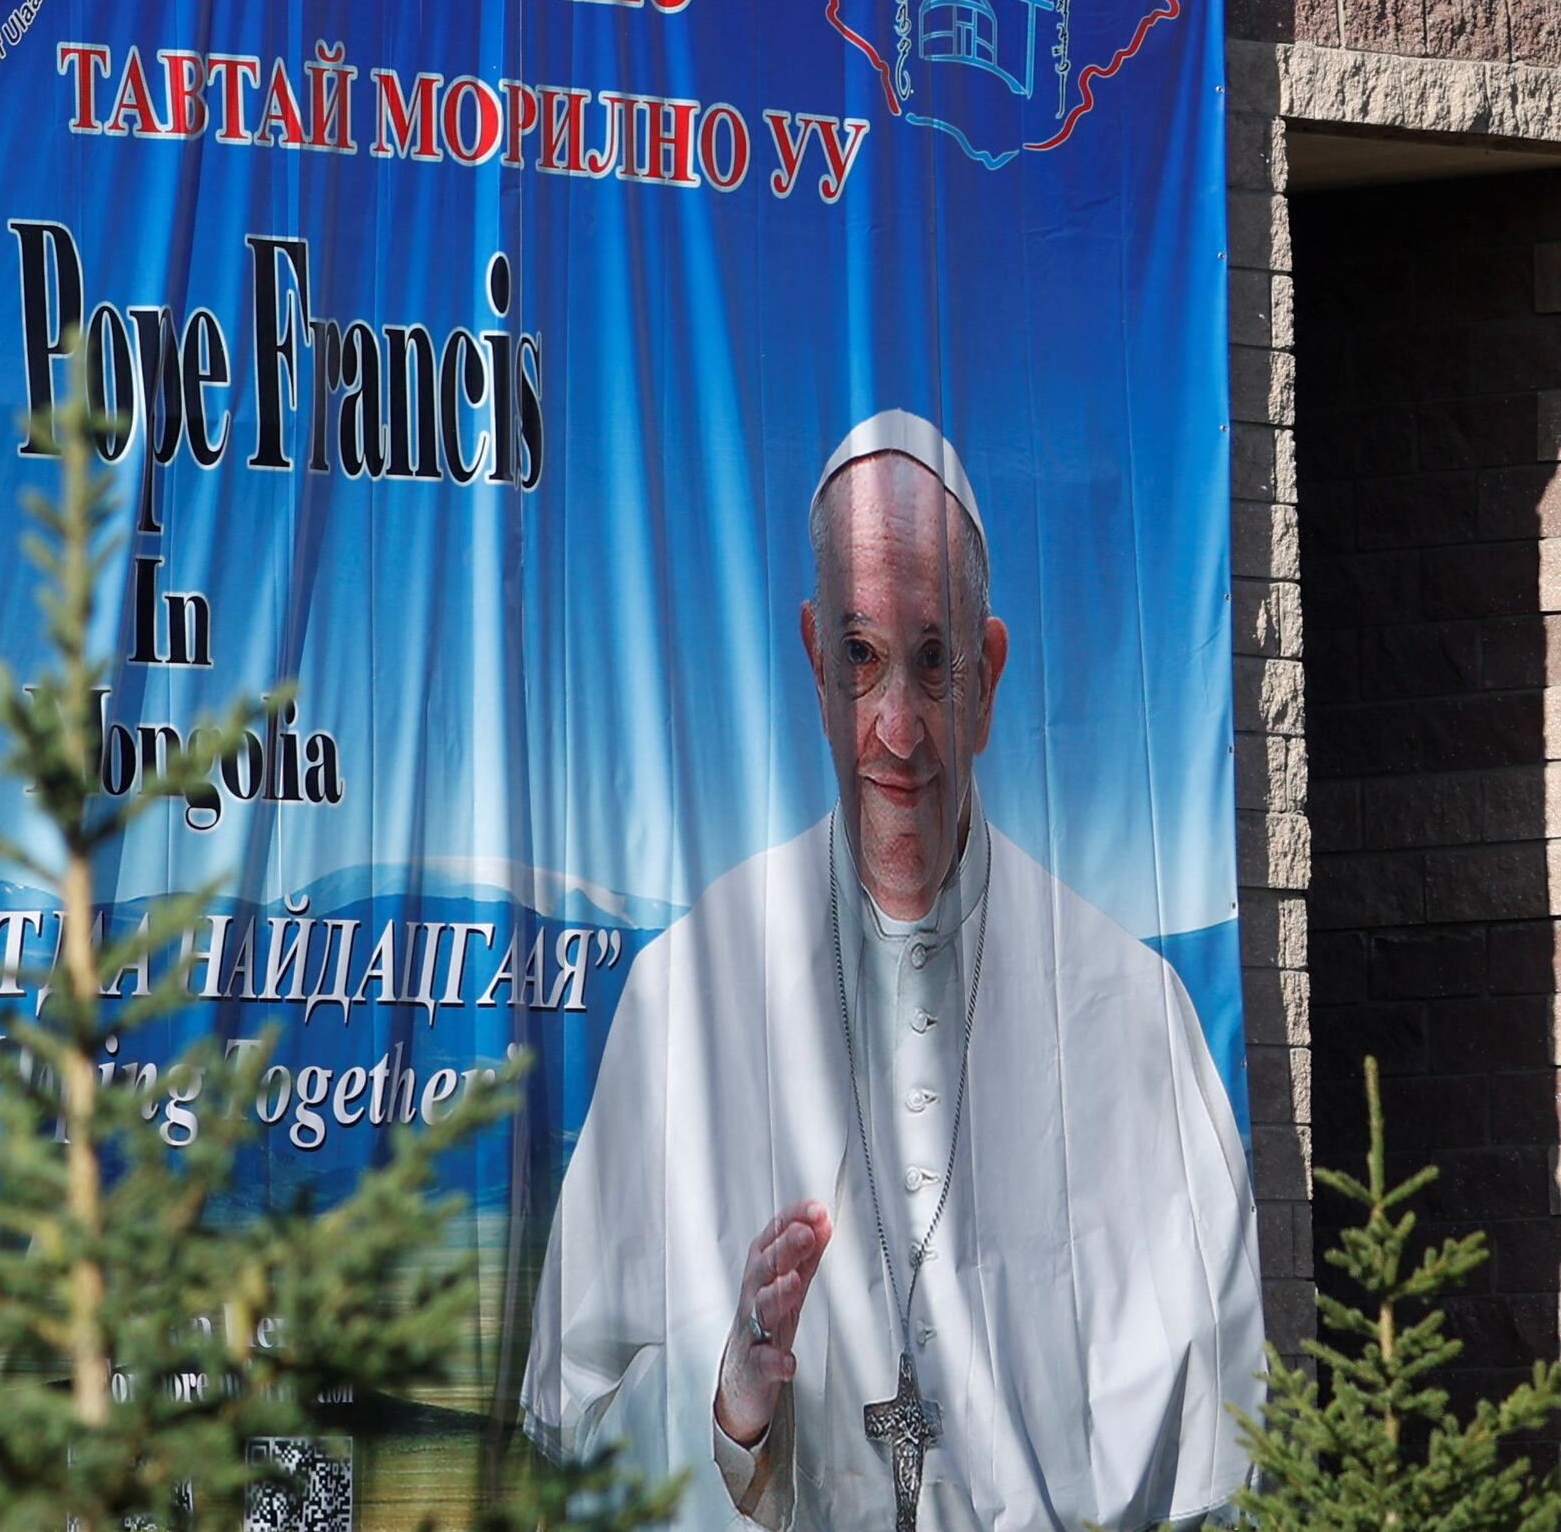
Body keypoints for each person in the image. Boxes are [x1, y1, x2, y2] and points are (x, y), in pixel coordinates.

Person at [523, 411, 1259, 1531]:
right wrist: (726, 1411)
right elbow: (568, 1418)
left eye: (933, 661)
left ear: (990, 672)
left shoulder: (1127, 1013)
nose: (897, 730)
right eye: (863, 661)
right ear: (816, 658)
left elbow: (1228, 1450)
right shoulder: (689, 995)